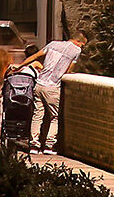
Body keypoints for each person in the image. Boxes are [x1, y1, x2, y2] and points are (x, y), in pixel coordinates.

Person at [30, 25, 87, 153]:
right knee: (54, 117)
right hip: (52, 86)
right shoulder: (76, 51)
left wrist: (19, 66)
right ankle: (49, 145)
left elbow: (34, 56)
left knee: (37, 115)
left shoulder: (53, 44)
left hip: (39, 84)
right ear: (78, 42)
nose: (81, 48)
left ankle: (34, 144)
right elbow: (69, 70)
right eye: (82, 45)